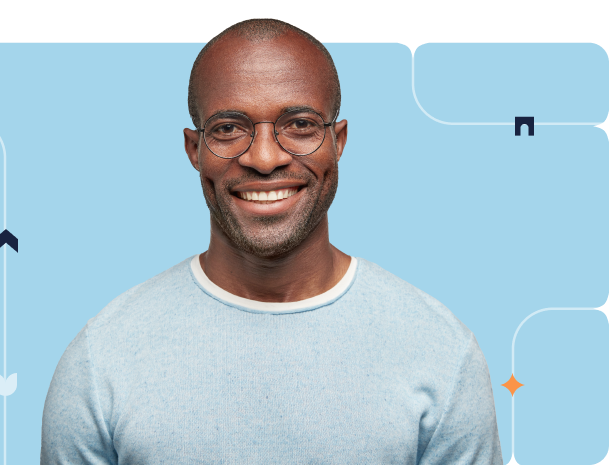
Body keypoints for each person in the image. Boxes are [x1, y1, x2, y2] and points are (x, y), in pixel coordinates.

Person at [41, 19, 503, 464]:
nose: (264, 158)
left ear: (337, 141)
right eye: (228, 128)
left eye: (299, 124)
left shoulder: (441, 351)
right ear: (193, 150)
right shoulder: (100, 361)